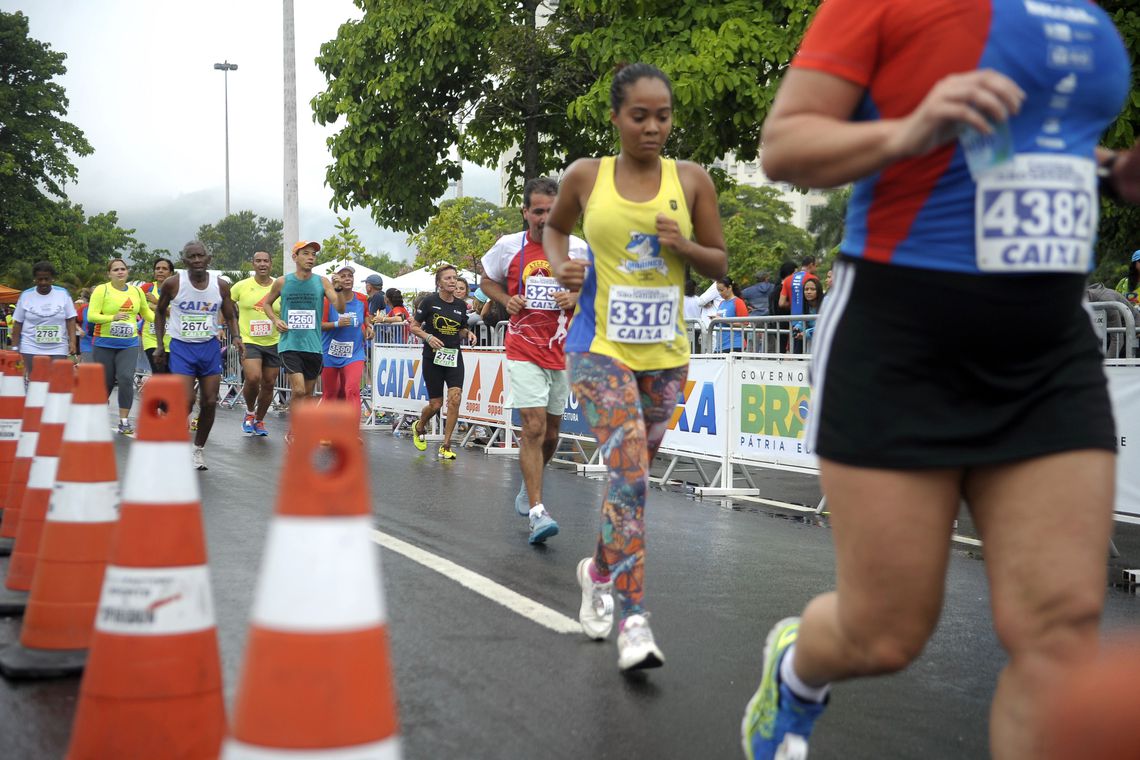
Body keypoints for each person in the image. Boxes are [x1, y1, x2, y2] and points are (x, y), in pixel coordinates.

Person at [740, 3, 1130, 759]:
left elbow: (1039, 145)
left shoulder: (1085, 16)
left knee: (1059, 639)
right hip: (900, 339)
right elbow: (785, 146)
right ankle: (795, 670)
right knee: (884, 633)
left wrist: (1114, 170)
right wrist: (910, 131)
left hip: (1047, 350)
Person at [545, 63, 727, 671]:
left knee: (631, 483)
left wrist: (685, 248)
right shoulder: (586, 177)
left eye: (663, 117)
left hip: (667, 357)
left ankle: (597, 572)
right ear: (618, 118)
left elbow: (721, 264)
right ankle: (633, 621)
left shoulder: (693, 180)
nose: (653, 128)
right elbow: (555, 229)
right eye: (640, 116)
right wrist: (559, 263)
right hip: (597, 350)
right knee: (629, 479)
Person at [480, 176, 590, 545]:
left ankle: (529, 490)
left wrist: (577, 297)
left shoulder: (578, 249)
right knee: (534, 425)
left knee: (553, 433)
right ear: (526, 212)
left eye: (553, 210)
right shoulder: (508, 247)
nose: (546, 217)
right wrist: (504, 299)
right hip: (523, 347)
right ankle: (539, 513)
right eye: (539, 211)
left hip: (561, 350)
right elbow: (486, 281)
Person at [154, 241, 242, 470]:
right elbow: (160, 312)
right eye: (191, 257)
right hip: (182, 347)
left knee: (210, 402)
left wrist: (236, 336)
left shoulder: (221, 286)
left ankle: (198, 450)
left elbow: (230, 314)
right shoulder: (173, 284)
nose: (196, 261)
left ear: (208, 258)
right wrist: (160, 345)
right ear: (184, 261)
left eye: (200, 256)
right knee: (186, 400)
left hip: (209, 347)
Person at [260, 241, 350, 422]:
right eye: (306, 253)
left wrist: (339, 289)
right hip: (290, 344)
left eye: (313, 254)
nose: (311, 257)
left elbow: (340, 308)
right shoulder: (282, 282)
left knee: (307, 394)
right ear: (295, 257)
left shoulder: (322, 282)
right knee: (299, 390)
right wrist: (276, 320)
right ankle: (294, 430)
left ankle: (299, 425)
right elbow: (266, 304)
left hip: (313, 346)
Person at [408, 264, 476, 460]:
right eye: (448, 278)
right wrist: (428, 337)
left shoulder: (461, 305)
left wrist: (468, 333)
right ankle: (419, 426)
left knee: (455, 399)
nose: (452, 281)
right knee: (436, 405)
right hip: (433, 357)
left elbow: (460, 329)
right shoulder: (429, 301)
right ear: (439, 283)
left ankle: (446, 445)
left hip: (453, 356)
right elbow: (413, 327)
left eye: (455, 278)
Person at [89, 258, 154, 435]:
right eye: (115, 269)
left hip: (129, 343)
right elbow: (92, 316)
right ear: (109, 274)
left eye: (123, 269)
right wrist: (112, 317)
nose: (120, 272)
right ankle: (98, 414)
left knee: (125, 378)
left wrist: (164, 319)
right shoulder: (102, 290)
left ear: (127, 272)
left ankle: (124, 421)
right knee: (106, 382)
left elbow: (146, 313)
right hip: (104, 343)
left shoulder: (136, 291)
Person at [231, 250, 281, 437]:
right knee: (253, 378)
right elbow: (226, 305)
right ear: (252, 264)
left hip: (274, 341)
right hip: (249, 340)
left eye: (265, 261)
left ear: (271, 264)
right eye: (258, 261)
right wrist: (223, 326)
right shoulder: (241, 286)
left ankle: (259, 420)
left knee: (269, 383)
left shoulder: (279, 285)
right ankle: (250, 412)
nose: (262, 264)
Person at [320, 265, 372, 415]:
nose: (347, 279)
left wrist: (368, 327)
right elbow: (320, 325)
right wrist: (337, 324)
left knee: (351, 389)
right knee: (331, 394)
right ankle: (326, 429)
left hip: (354, 353)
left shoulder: (362, 299)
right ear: (336, 281)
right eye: (343, 276)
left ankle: (352, 431)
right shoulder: (327, 301)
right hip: (330, 353)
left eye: (350, 275)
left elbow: (366, 316)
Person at [10, 261, 78, 372]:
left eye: (46, 279)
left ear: (52, 279)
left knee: (56, 380)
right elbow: (18, 323)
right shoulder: (26, 295)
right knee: (36, 380)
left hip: (58, 347)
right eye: (40, 279)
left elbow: (70, 319)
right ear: (35, 280)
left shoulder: (63, 294)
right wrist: (14, 348)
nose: (43, 282)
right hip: (30, 346)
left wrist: (72, 342)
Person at [140, 257, 175, 372]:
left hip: (172, 338)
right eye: (157, 268)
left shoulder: (177, 290)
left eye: (164, 269)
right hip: (151, 337)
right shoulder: (146, 288)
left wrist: (156, 304)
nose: (160, 271)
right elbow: (138, 307)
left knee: (170, 375)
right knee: (158, 373)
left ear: (171, 273)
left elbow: (175, 313)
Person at [714, 275, 748, 352]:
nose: (720, 293)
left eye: (722, 290)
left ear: (729, 288)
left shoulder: (738, 302)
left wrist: (724, 321)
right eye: (718, 290)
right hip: (720, 345)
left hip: (734, 344)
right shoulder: (722, 303)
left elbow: (745, 323)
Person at [790, 277, 824, 354]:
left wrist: (806, 333)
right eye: (806, 289)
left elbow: (823, 326)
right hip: (811, 344)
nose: (808, 292)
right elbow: (803, 321)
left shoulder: (825, 305)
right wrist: (797, 328)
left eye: (812, 289)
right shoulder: (806, 306)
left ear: (818, 291)